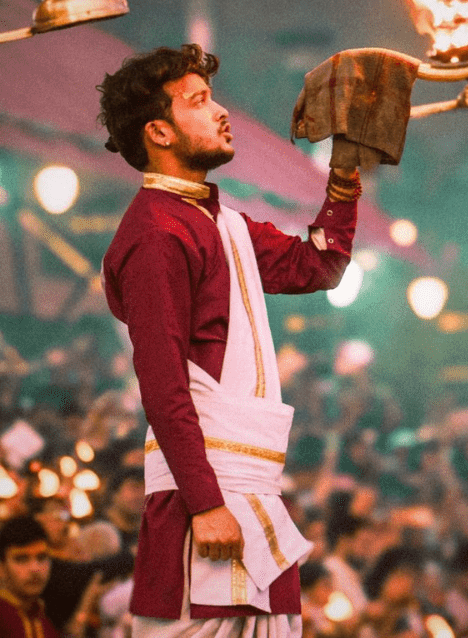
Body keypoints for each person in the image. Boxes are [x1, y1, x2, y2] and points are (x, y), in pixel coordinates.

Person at [98, 44, 362, 637]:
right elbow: (163, 384)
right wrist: (206, 502)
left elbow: (317, 267)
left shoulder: (223, 223)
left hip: (247, 488)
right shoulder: (156, 234)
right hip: (207, 496)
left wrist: (343, 178)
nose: (221, 112)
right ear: (159, 131)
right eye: (200, 101)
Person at [0, 516, 58, 638]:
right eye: (21, 559)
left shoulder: (39, 616)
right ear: (2, 568)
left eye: (42, 557)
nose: (35, 569)